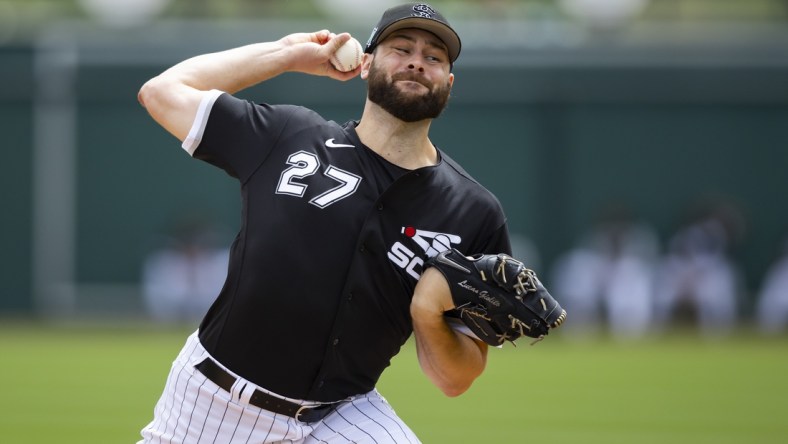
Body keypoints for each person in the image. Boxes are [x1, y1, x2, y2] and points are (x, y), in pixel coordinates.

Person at [136, 3, 512, 443]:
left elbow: (456, 379)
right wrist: (286, 54)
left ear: (448, 83)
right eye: (401, 48)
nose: (416, 61)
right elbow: (161, 92)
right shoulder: (288, 136)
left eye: (434, 57)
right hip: (212, 402)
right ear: (365, 63)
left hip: (341, 415)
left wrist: (428, 314)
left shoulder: (474, 212)